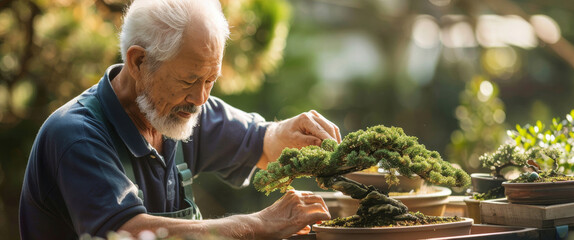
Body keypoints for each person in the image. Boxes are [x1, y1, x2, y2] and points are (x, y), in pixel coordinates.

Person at [19, 0, 342, 239]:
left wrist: (289, 132)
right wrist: (258, 225)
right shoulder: (77, 135)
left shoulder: (177, 110)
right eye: (189, 80)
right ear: (139, 62)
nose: (201, 98)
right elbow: (128, 232)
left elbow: (263, 143)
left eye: (210, 80)